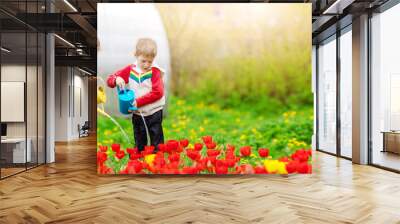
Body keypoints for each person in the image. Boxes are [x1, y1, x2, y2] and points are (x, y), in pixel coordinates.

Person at [107, 38, 165, 152]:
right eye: (143, 61)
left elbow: (158, 93)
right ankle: (140, 162)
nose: (147, 64)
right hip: (138, 113)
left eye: (150, 61)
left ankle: (157, 164)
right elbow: (110, 80)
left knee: (156, 139)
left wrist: (138, 102)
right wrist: (116, 79)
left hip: (154, 111)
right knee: (140, 140)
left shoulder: (154, 71)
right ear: (136, 55)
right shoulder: (131, 69)